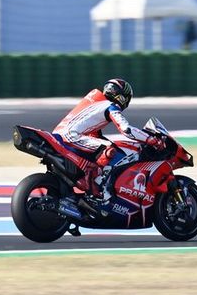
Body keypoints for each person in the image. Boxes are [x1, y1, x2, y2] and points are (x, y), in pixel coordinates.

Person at [53, 77, 163, 209]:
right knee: (110, 150)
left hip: (60, 135)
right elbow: (126, 129)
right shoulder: (111, 106)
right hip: (71, 136)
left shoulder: (95, 104)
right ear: (122, 96)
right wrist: (151, 139)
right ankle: (92, 187)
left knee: (104, 147)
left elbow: (93, 134)